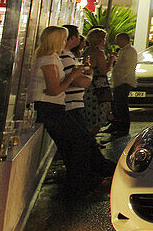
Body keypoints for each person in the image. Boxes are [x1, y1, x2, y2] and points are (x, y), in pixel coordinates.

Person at [29, 26, 114, 198]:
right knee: (79, 142)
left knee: (78, 142)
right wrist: (73, 76)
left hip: (55, 107)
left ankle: (84, 182)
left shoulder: (50, 58)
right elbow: (54, 90)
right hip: (51, 108)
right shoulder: (49, 60)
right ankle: (79, 185)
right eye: (62, 39)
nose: (65, 42)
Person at [59, 25, 91, 133]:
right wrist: (90, 76)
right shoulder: (64, 57)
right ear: (71, 38)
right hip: (71, 105)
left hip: (73, 103)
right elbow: (80, 82)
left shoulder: (69, 56)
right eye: (78, 36)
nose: (80, 39)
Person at [106, 32, 137, 137]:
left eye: (118, 40)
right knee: (116, 105)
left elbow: (125, 66)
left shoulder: (130, 51)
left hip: (124, 81)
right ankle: (116, 125)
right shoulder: (123, 51)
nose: (117, 42)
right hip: (119, 81)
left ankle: (123, 128)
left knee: (122, 105)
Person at [83, 29, 113, 136]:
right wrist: (111, 61)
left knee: (88, 113)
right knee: (98, 115)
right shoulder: (98, 53)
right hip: (98, 87)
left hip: (88, 85)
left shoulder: (86, 51)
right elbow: (103, 70)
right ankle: (91, 141)